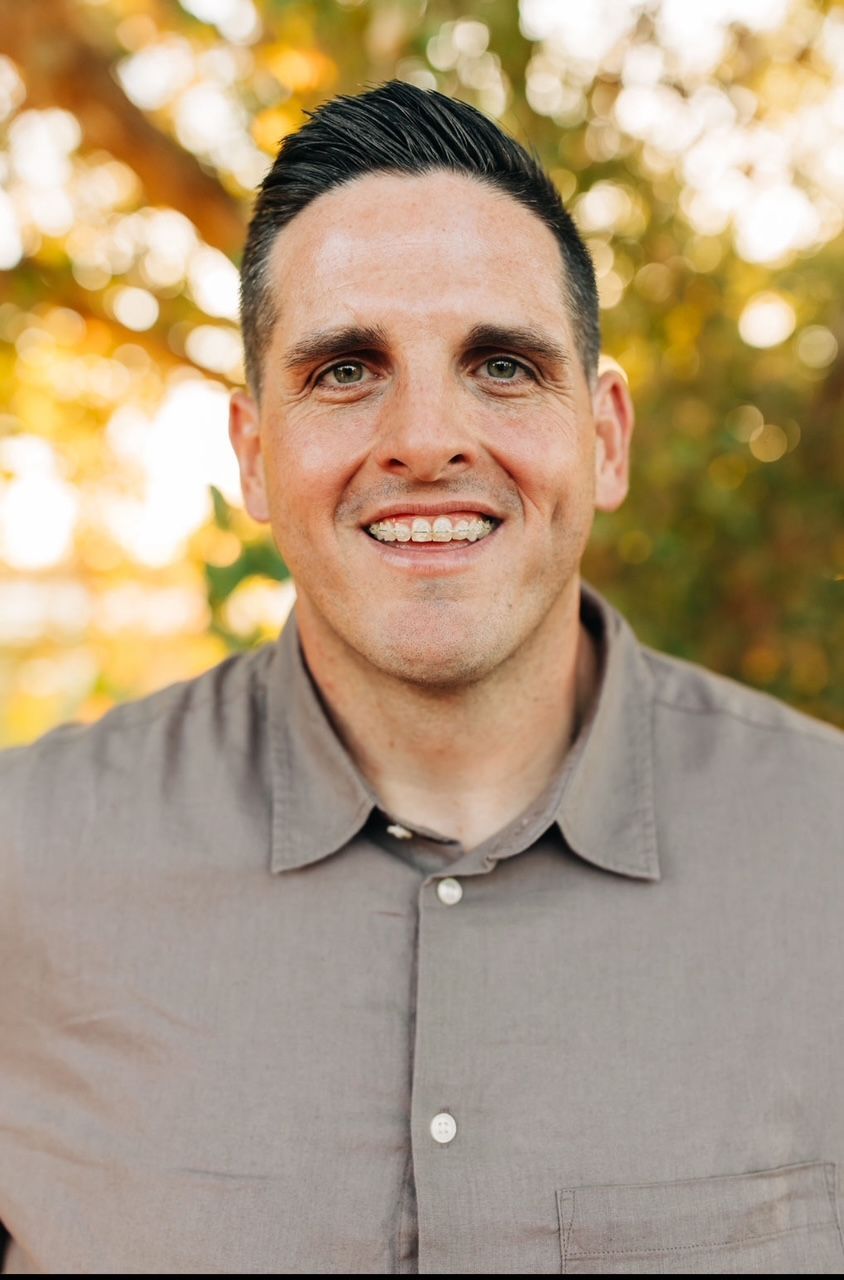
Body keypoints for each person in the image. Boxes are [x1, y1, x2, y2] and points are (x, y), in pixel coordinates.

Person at [1, 79, 842, 1276]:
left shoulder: (828, 853)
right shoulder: (23, 866)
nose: (425, 438)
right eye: (347, 369)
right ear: (253, 453)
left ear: (604, 436)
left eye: (501, 364)